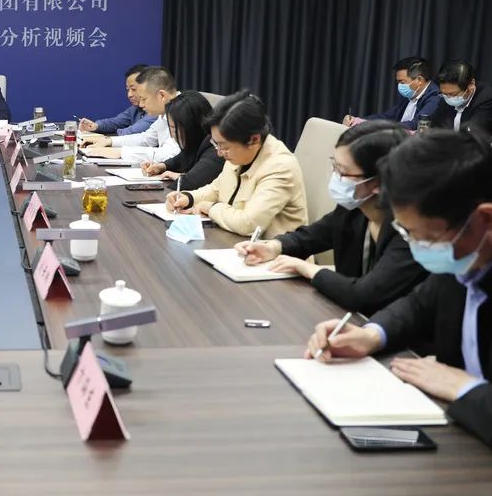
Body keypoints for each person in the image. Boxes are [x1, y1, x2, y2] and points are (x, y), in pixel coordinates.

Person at [304, 128, 492, 446]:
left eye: (425, 237)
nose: (417, 246)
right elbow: (418, 305)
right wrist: (370, 335)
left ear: (484, 219)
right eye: (407, 233)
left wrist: (464, 387)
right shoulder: (465, 259)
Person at [237, 121, 427, 312]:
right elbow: (311, 236)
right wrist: (273, 247)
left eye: (342, 171)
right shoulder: (355, 208)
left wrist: (311, 270)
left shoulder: (413, 229)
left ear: (377, 182)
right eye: (334, 166)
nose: (335, 176)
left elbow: (364, 295)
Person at [166, 90, 307, 238]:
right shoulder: (240, 154)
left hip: (270, 249)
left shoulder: (280, 167)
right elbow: (216, 189)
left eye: (224, 146)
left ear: (254, 140)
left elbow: (249, 224)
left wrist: (211, 208)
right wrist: (188, 198)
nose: (219, 153)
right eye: (216, 144)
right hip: (235, 240)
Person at [82, 67, 181, 163]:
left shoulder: (185, 110)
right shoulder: (165, 113)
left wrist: (121, 152)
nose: (141, 105)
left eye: (144, 99)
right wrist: (110, 141)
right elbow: (146, 139)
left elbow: (170, 154)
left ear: (162, 95)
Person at [141, 91, 224, 191]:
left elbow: (192, 183)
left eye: (174, 128)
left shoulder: (216, 146)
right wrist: (163, 166)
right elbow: (184, 157)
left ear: (191, 126)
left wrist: (179, 178)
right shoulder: (199, 141)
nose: (172, 135)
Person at [344, 57, 440, 130]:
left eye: (402, 82)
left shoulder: (435, 97)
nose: (399, 86)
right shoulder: (410, 94)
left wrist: (378, 127)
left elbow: (415, 124)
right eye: (398, 82)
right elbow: (387, 117)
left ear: (419, 80)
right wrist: (358, 121)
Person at [78, 64, 155, 136]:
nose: (129, 95)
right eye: (128, 90)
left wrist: (106, 138)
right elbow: (115, 122)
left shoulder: (156, 110)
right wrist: (95, 126)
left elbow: (133, 132)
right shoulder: (134, 109)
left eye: (134, 89)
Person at [431, 61, 492, 133]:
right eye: (444, 94)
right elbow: (434, 124)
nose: (448, 98)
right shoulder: (445, 96)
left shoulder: (486, 98)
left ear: (471, 84)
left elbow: (473, 132)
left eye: (453, 94)